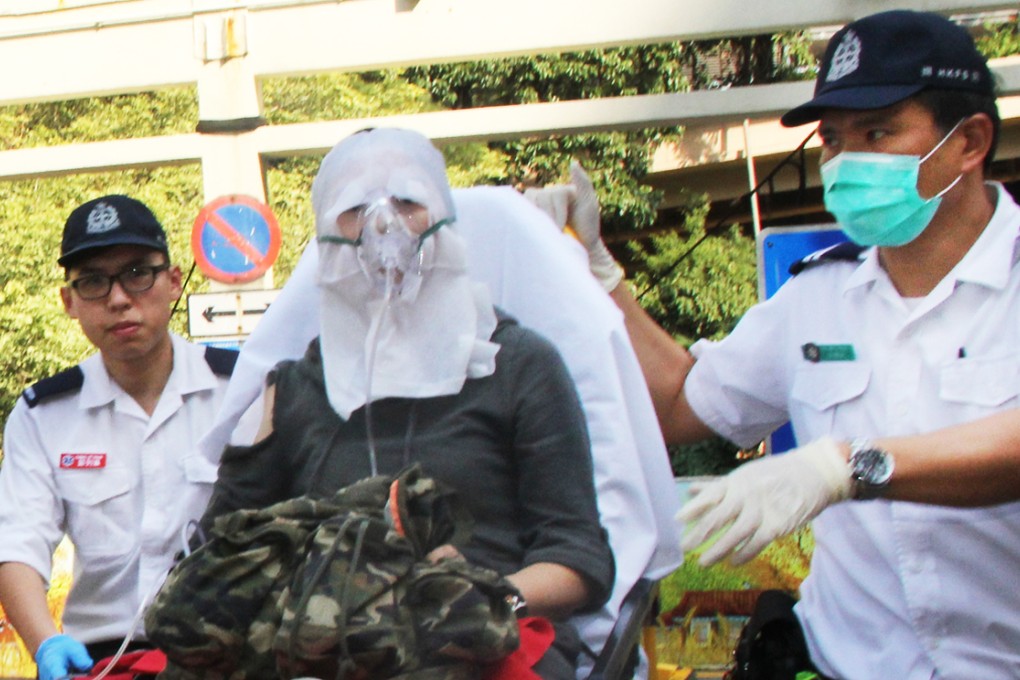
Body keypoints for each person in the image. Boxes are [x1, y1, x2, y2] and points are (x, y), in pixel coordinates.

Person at [560, 10, 1020, 679]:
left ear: (969, 141)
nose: (843, 161)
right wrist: (598, 275)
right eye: (833, 139)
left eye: (878, 132)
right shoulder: (816, 300)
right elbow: (680, 406)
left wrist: (847, 467)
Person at [196, 169, 682, 678]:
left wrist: (479, 601)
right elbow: (220, 561)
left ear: (446, 227)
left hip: (487, 645)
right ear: (327, 244)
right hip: (324, 649)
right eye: (355, 210)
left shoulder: (517, 365)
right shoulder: (298, 388)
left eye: (407, 203)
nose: (383, 229)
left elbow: (580, 562)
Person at [0, 196, 236, 680]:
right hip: (103, 661)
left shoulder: (240, 392)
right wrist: (46, 644)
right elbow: (18, 543)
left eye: (137, 273)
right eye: (93, 281)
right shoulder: (43, 415)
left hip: (234, 653)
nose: (119, 298)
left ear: (172, 282)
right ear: (69, 302)